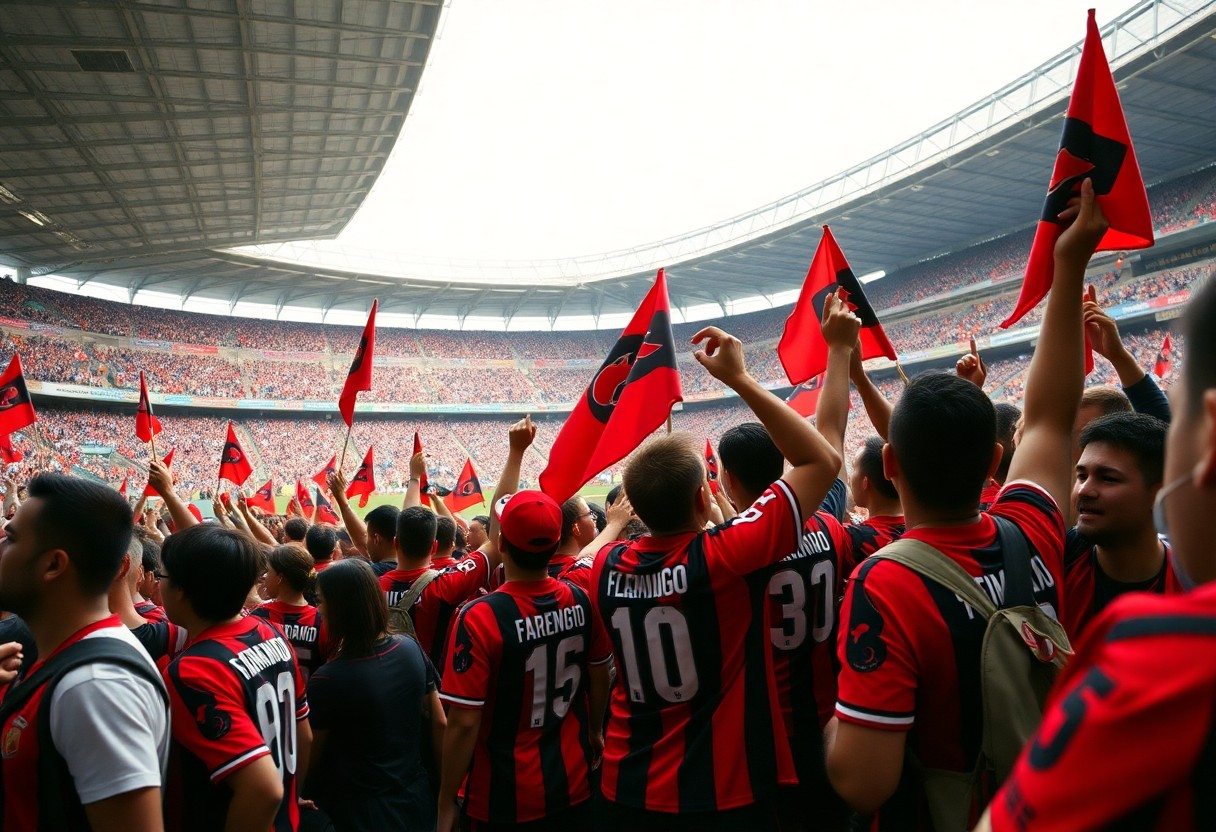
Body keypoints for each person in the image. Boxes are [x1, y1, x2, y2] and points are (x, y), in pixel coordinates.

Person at [826, 178, 1108, 823]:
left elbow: (864, 782)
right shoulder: (1032, 524)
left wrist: (833, 729)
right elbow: (1050, 420)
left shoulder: (886, 580)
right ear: (992, 463)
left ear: (891, 467)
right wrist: (1070, 265)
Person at [978, 237, 1216, 830]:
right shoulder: (1058, 557)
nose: (1080, 489)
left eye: (1105, 477)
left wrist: (1069, 263)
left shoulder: (1158, 646)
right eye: (1077, 473)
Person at [590, 323, 841, 830]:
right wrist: (741, 379)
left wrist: (613, 526)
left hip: (626, 783)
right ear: (705, 500)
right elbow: (823, 457)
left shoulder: (602, 567)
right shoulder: (730, 554)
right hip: (726, 787)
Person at [0, 473, 169, 830]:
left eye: (11, 539)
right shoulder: (73, 661)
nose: (1, 547)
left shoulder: (96, 686)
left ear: (53, 565)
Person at [438, 490, 611, 832]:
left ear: (501, 544)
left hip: (500, 795)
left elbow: (464, 723)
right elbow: (600, 672)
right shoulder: (579, 598)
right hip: (573, 779)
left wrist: (445, 802)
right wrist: (594, 730)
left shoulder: (479, 616)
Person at [159, 524, 312, 832]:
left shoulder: (194, 669)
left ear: (183, 588)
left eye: (162, 576)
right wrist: (292, 801)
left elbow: (263, 789)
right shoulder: (271, 633)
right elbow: (304, 736)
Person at [306, 559, 444, 831]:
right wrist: (445, 794)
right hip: (417, 799)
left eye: (321, 601)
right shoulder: (410, 647)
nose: (319, 610)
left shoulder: (327, 679)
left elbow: (312, 758)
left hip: (361, 812)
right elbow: (440, 723)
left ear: (339, 608)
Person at [379, 506, 489, 669]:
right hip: (433, 683)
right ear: (434, 547)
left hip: (384, 684)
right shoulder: (445, 585)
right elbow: (492, 546)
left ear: (396, 542)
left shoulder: (372, 587)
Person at [250, 544, 329, 680]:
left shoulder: (259, 618)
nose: (265, 577)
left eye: (268, 571)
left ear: (280, 578)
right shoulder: (322, 620)